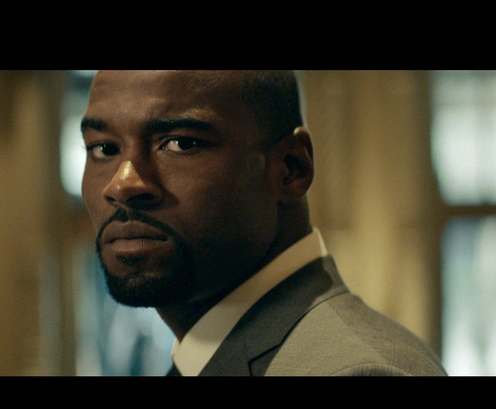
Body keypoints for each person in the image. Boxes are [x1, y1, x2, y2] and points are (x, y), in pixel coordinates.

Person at [80, 70, 447, 376]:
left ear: (290, 169)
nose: (121, 184)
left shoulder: (354, 371)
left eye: (181, 143)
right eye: (104, 148)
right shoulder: (201, 357)